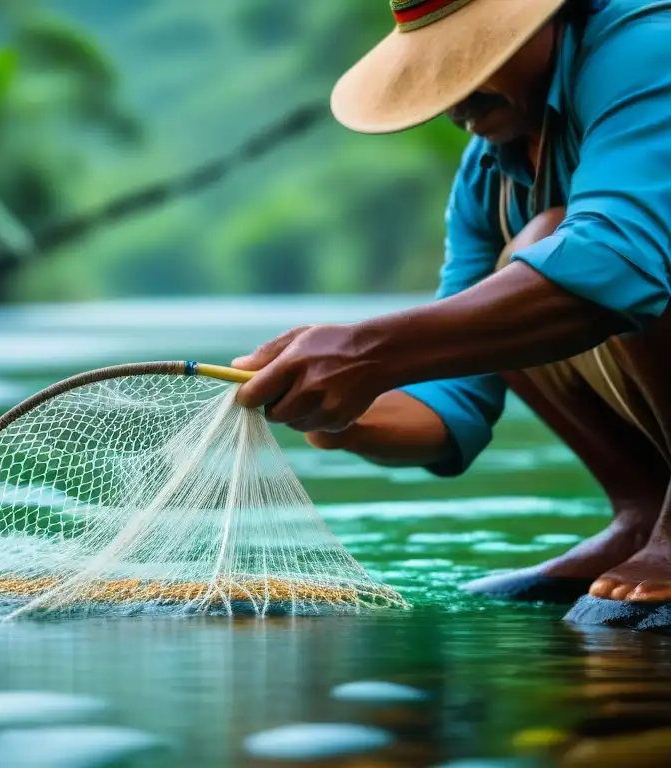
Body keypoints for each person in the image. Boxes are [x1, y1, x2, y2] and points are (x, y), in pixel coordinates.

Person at [232, 0, 671, 626]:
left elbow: (620, 260)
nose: (452, 98)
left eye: (473, 58)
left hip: (621, 252)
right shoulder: (489, 178)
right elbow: (451, 404)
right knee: (509, 275)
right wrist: (341, 411)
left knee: (564, 245)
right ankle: (642, 510)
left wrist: (365, 352)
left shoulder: (649, 49)